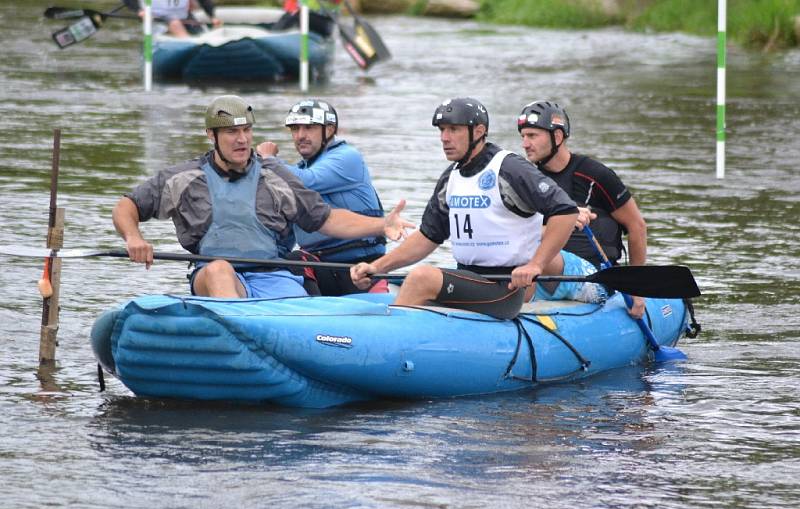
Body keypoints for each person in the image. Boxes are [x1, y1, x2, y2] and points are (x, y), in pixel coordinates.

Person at [112, 95, 413, 300]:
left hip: (274, 277)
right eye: (231, 132)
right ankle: (236, 343)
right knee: (220, 269)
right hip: (214, 275)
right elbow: (128, 205)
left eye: (246, 130)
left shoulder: (276, 177)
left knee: (300, 306)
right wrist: (133, 238)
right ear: (211, 135)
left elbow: (329, 219)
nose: (241, 139)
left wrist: (381, 224)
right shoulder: (184, 178)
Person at [350, 97, 607, 320]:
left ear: (479, 131)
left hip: (506, 288)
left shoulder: (509, 169)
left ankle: (391, 345)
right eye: (441, 130)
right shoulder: (451, 177)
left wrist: (536, 265)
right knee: (406, 280)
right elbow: (428, 237)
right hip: (472, 279)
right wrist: (380, 266)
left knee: (421, 278)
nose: (444, 138)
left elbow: (565, 211)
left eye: (453, 129)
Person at [517, 100, 648, 318]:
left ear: (557, 137)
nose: (525, 144)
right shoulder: (528, 180)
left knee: (528, 257)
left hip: (591, 277)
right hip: (540, 275)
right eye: (523, 136)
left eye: (532, 136)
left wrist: (637, 290)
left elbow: (637, 227)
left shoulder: (595, 175)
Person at [256, 99, 387, 296]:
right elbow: (284, 235)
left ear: (330, 129)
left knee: (296, 260)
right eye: (295, 129)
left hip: (361, 271)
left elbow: (305, 181)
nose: (300, 136)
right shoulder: (293, 172)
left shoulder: (347, 157)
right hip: (321, 268)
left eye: (308, 128)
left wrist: (268, 159)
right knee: (290, 260)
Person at [123, 0, 221, 37]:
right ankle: (189, 44)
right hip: (157, 18)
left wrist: (212, 16)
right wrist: (139, 11)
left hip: (183, 15)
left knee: (202, 34)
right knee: (175, 23)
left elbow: (204, 1)